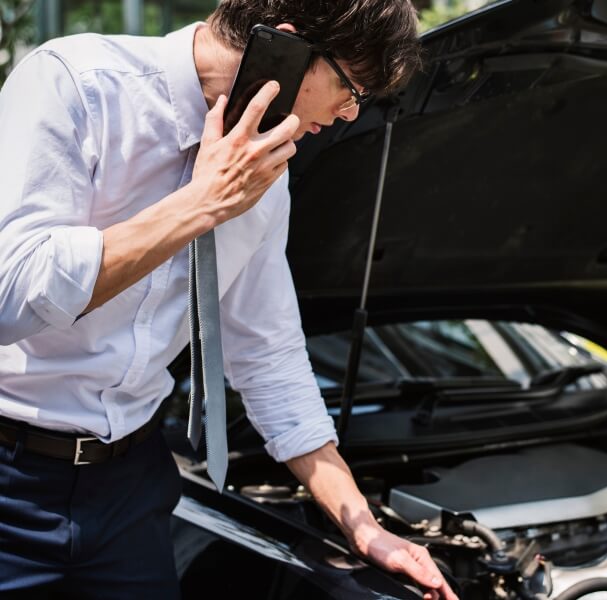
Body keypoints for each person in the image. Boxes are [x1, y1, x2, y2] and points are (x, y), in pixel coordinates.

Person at [0, 1, 457, 598]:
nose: (350, 113)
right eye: (351, 88)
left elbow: (269, 357)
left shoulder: (267, 172)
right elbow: (10, 294)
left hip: (132, 490)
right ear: (287, 49)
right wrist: (199, 204)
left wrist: (362, 525)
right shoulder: (75, 83)